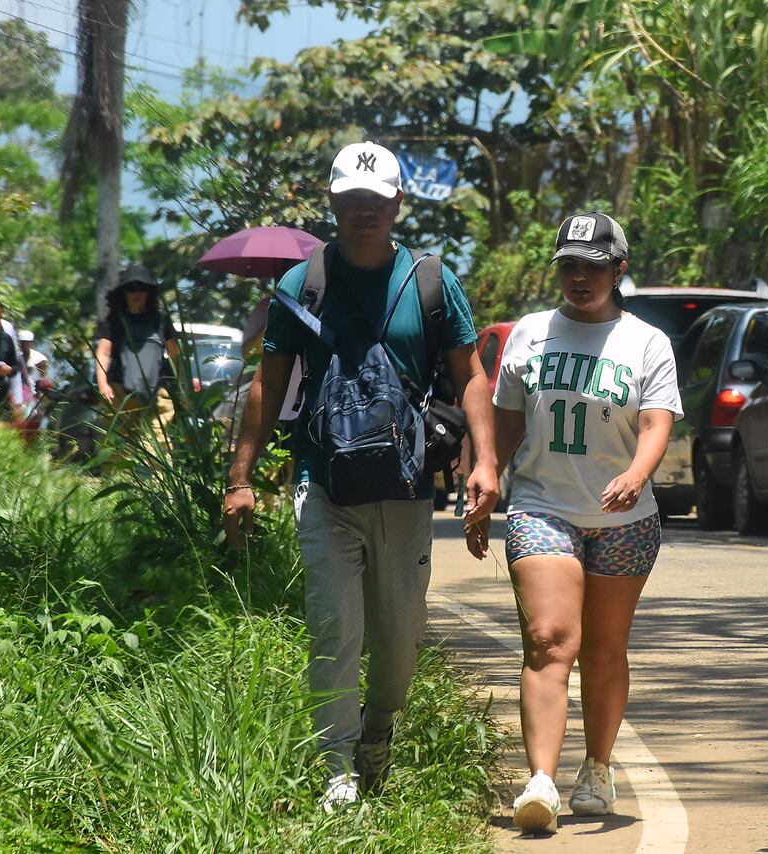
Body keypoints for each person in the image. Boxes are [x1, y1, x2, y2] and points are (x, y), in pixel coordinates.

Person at [221, 141, 500, 811]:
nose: (363, 211)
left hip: (404, 488)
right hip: (324, 483)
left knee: (399, 638)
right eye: (351, 201)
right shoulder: (302, 285)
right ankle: (336, 767)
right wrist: (241, 476)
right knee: (333, 628)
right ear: (334, 204)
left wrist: (485, 463)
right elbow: (269, 383)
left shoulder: (433, 281)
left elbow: (470, 377)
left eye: (376, 201)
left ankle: (378, 731)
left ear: (399, 203)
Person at [468, 212, 682, 834]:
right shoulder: (531, 335)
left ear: (620, 271)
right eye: (569, 265)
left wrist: (638, 475)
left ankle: (597, 766)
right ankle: (540, 781)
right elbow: (505, 425)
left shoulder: (646, 343)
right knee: (549, 638)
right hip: (542, 507)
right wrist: (486, 483)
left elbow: (656, 424)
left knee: (606, 648)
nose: (579, 277)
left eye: (592, 266)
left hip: (625, 519)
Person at [94, 265, 180, 447]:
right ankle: (117, 476)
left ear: (149, 292)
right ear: (122, 293)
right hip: (119, 392)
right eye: (130, 288)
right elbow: (103, 352)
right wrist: (102, 384)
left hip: (158, 391)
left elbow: (175, 353)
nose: (136, 293)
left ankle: (159, 476)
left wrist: (184, 381)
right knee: (117, 445)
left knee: (158, 444)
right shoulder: (114, 321)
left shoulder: (161, 320)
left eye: (142, 288)